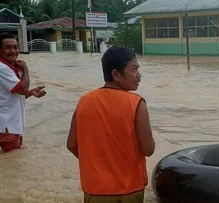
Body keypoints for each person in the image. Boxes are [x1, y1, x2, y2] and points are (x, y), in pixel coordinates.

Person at [67, 46, 155, 203]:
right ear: (116, 74)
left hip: (95, 190)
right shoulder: (136, 103)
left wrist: (96, 164)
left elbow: (72, 144)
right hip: (130, 190)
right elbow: (148, 149)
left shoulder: (84, 101)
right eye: (134, 69)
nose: (139, 76)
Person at [0, 33, 46, 153]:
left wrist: (31, 93)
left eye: (15, 47)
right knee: (13, 163)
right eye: (8, 47)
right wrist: (25, 69)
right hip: (7, 127)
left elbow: (13, 96)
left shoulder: (11, 68)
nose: (13, 51)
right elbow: (23, 88)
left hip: (9, 126)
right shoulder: (2, 68)